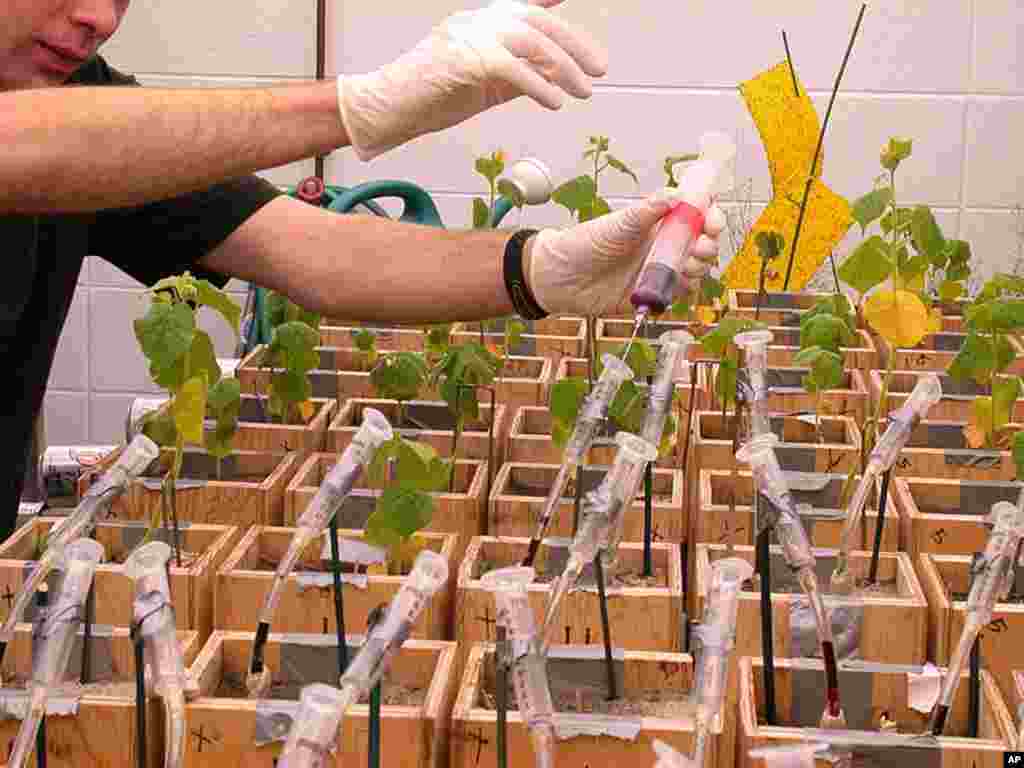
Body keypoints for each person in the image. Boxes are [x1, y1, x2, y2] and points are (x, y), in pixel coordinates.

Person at [1, 0, 724, 539]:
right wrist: (359, 104)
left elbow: (311, 251)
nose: (100, 16)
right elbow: (32, 150)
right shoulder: (71, 138)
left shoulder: (81, 106)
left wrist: (540, 268)